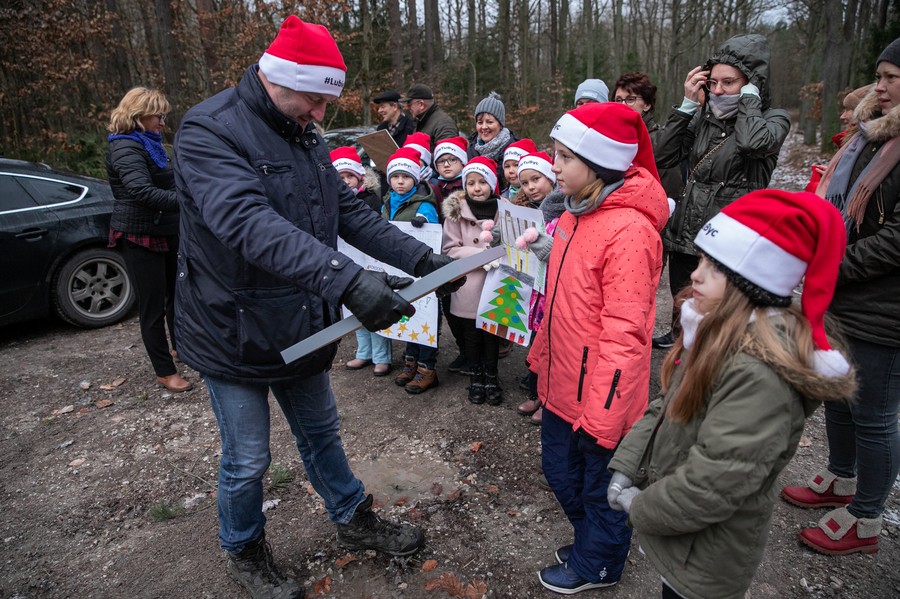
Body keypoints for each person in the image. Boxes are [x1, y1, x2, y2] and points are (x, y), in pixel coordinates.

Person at [173, 16, 462, 598]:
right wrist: (347, 281)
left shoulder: (301, 131)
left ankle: (352, 517)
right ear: (277, 79)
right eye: (314, 100)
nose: (321, 115)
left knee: (322, 432)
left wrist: (422, 261)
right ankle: (245, 549)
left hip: (298, 315)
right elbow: (245, 221)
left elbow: (348, 212)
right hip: (229, 324)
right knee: (249, 458)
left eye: (327, 104)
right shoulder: (209, 130)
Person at [609, 189, 855, 599]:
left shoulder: (758, 374)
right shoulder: (715, 331)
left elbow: (713, 484)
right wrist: (628, 463)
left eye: (714, 267)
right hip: (681, 531)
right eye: (701, 259)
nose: (695, 275)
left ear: (751, 284)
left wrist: (642, 508)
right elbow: (667, 403)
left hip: (705, 552)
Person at [521, 102, 668, 593]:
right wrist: (541, 362)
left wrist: (605, 414)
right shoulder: (573, 215)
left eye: (564, 157)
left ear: (600, 165)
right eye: (554, 153)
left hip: (602, 397)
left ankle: (598, 565)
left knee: (598, 487)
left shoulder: (629, 231)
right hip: (563, 382)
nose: (552, 165)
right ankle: (591, 542)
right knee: (560, 472)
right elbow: (560, 302)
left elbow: (627, 335)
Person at [781, 37, 900, 556]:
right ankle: (840, 477)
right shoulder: (871, 137)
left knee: (874, 413)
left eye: (892, 77)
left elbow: (895, 240)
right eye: (879, 75)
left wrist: (830, 266)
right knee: (837, 394)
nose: (880, 85)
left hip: (885, 308)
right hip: (845, 296)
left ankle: (867, 519)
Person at [652, 34, 790, 349]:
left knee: (719, 330)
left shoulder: (773, 119)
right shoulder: (704, 117)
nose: (716, 91)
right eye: (712, 82)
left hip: (730, 242)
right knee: (683, 315)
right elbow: (661, 155)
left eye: (728, 83)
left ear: (752, 83)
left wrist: (749, 103)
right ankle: (680, 382)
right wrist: (687, 107)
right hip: (688, 239)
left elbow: (752, 143)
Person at [105, 87, 191, 393]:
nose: (163, 122)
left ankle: (182, 348)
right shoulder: (125, 147)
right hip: (140, 235)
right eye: (159, 115)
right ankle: (164, 371)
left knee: (176, 298)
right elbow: (141, 191)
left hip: (165, 231)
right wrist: (187, 199)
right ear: (139, 114)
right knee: (153, 306)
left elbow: (166, 181)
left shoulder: (151, 143)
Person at [442, 156, 505, 406]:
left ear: (492, 184)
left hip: (495, 283)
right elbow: (450, 250)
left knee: (491, 335)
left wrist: (498, 254)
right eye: (470, 183)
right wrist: (482, 256)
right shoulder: (456, 214)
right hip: (468, 284)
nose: (476, 188)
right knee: (471, 335)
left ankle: (492, 376)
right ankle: (475, 376)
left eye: (482, 182)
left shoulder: (504, 210)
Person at [381, 147, 443, 394]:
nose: (399, 182)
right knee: (406, 315)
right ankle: (411, 361)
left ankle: (427, 368)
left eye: (405, 177)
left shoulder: (423, 203)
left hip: (421, 270)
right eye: (395, 177)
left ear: (415, 179)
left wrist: (424, 222)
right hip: (399, 269)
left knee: (425, 317)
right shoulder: (387, 203)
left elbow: (432, 228)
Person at [510, 151, 562, 427]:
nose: (530, 187)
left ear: (551, 177)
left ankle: (551, 400)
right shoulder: (526, 212)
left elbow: (565, 252)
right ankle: (536, 392)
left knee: (554, 346)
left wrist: (547, 248)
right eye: (525, 183)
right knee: (535, 343)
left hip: (556, 288)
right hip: (536, 288)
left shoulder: (564, 211)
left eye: (536, 179)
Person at [330, 146, 392, 376]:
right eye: (340, 177)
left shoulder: (370, 201)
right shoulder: (330, 204)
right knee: (353, 307)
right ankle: (363, 352)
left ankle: (381, 356)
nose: (345, 182)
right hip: (345, 261)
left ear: (359, 177)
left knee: (371, 306)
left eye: (349, 176)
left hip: (368, 262)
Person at [613, 71, 685, 207]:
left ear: (647, 105)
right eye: (618, 100)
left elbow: (671, 195)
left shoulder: (659, 142)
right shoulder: (612, 141)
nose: (622, 105)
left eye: (630, 99)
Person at [432, 136, 470, 375]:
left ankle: (473, 351)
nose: (447, 165)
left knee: (468, 305)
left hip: (465, 252)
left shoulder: (471, 185)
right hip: (440, 253)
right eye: (441, 161)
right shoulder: (431, 189)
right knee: (449, 304)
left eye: (452, 160)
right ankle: (463, 349)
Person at [806, 83, 874, 192]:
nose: (842, 116)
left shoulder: (868, 146)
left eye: (848, 109)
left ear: (863, 112)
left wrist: (835, 179)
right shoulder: (852, 144)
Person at [466, 92, 518, 190]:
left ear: (500, 124)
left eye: (489, 122)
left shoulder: (513, 149)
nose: (484, 127)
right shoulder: (469, 148)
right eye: (480, 122)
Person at [402, 83, 458, 148]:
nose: (408, 108)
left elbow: (447, 154)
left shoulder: (444, 124)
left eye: (409, 105)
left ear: (421, 105)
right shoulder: (421, 122)